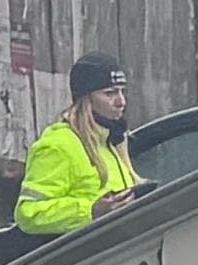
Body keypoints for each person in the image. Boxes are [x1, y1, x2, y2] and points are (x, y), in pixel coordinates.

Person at [15, 54, 138, 233]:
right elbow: (28, 213)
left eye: (122, 91)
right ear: (86, 98)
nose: (121, 102)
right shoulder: (58, 145)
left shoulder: (109, 141)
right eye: (110, 93)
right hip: (83, 259)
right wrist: (90, 211)